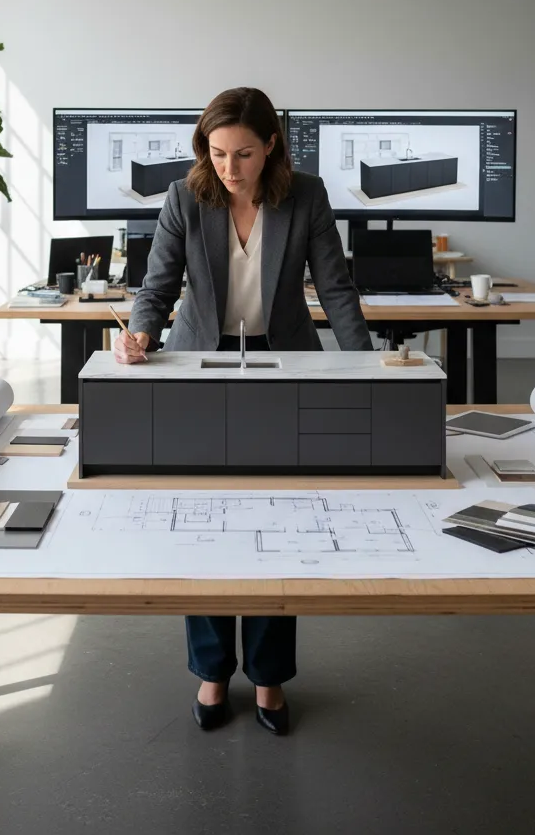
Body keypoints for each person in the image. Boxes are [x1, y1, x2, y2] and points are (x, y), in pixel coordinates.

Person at [117, 87, 372, 736]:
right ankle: (210, 670)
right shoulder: (184, 197)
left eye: (245, 154)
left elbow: (334, 284)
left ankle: (267, 677)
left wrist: (362, 363)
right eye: (219, 153)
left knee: (276, 517)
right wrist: (141, 334)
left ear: (272, 147)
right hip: (198, 364)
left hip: (280, 360)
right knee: (203, 519)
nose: (230, 168)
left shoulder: (305, 195)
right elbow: (159, 283)